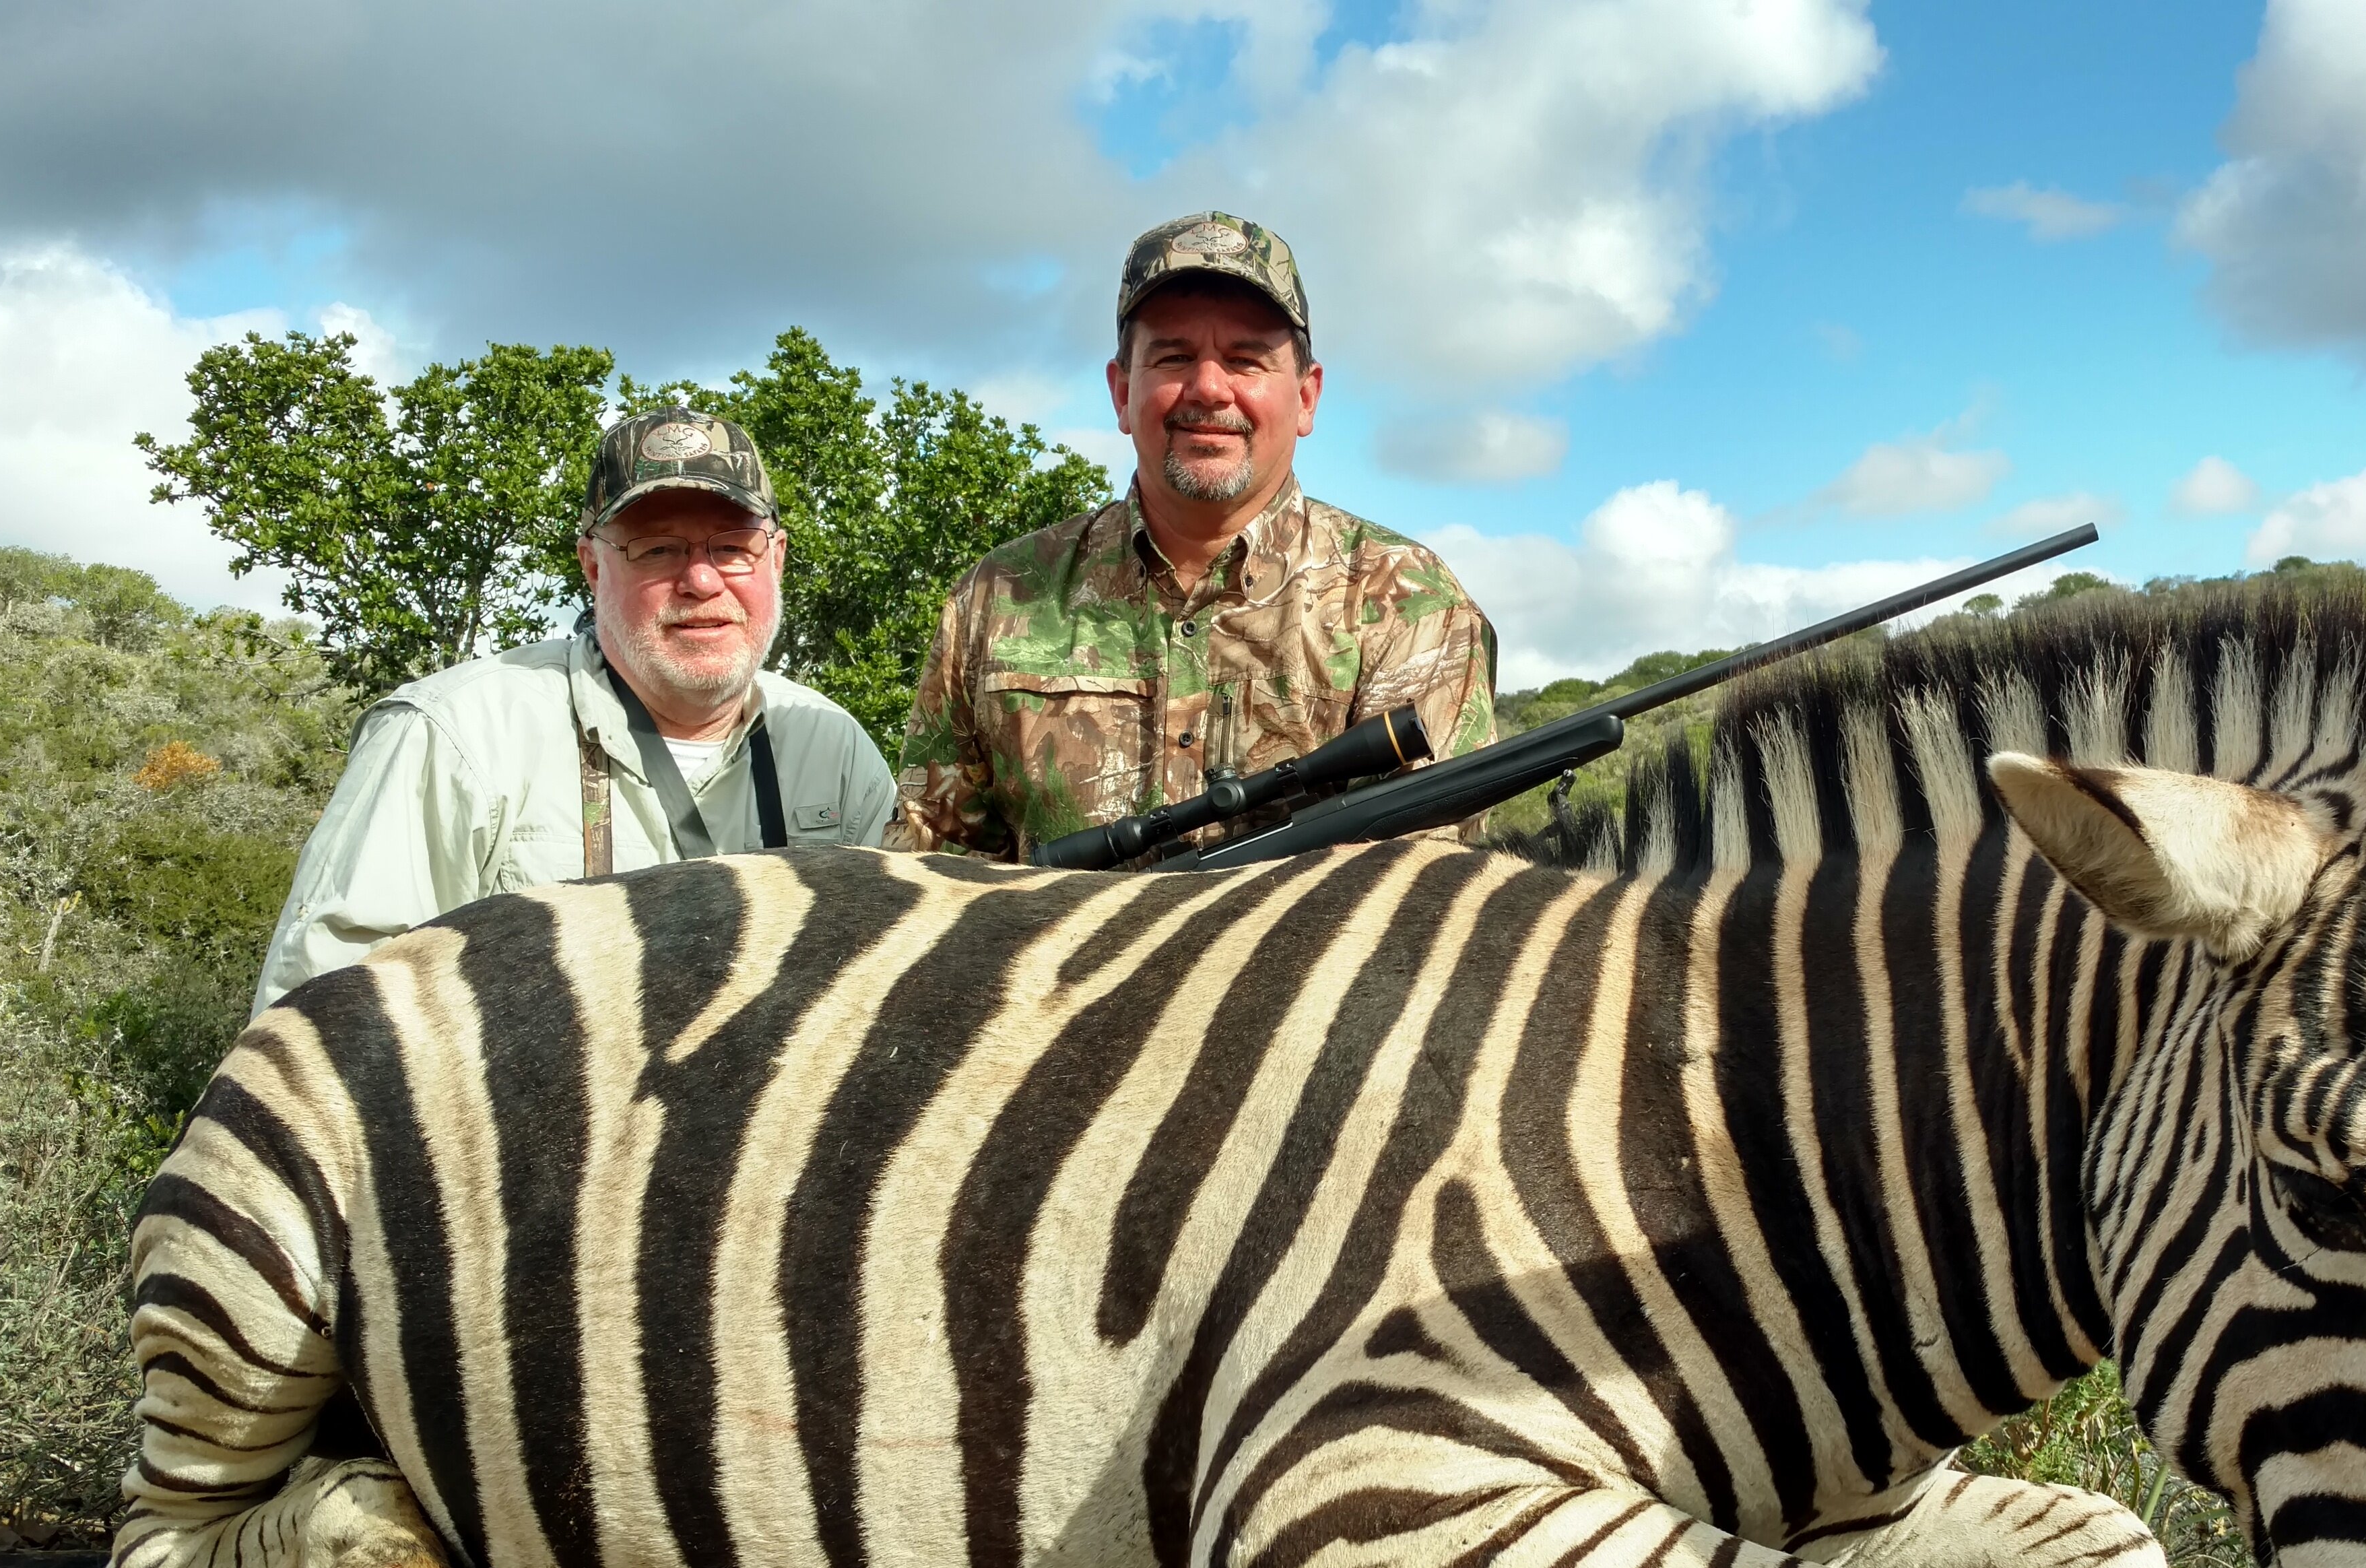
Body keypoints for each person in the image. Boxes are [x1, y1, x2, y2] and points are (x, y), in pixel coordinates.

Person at [886, 211, 1497, 860]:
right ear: (1122, 393)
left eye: (1247, 360)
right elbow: (930, 875)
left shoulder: (1408, 599)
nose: (1209, 387)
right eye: (1174, 356)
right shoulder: (998, 596)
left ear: (1308, 397)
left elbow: (1428, 894)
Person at [253, 407, 897, 1012]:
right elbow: (325, 1013)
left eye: (732, 548)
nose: (701, 580)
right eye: (658, 549)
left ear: (776, 560)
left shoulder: (834, 747)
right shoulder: (451, 735)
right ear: (592, 566)